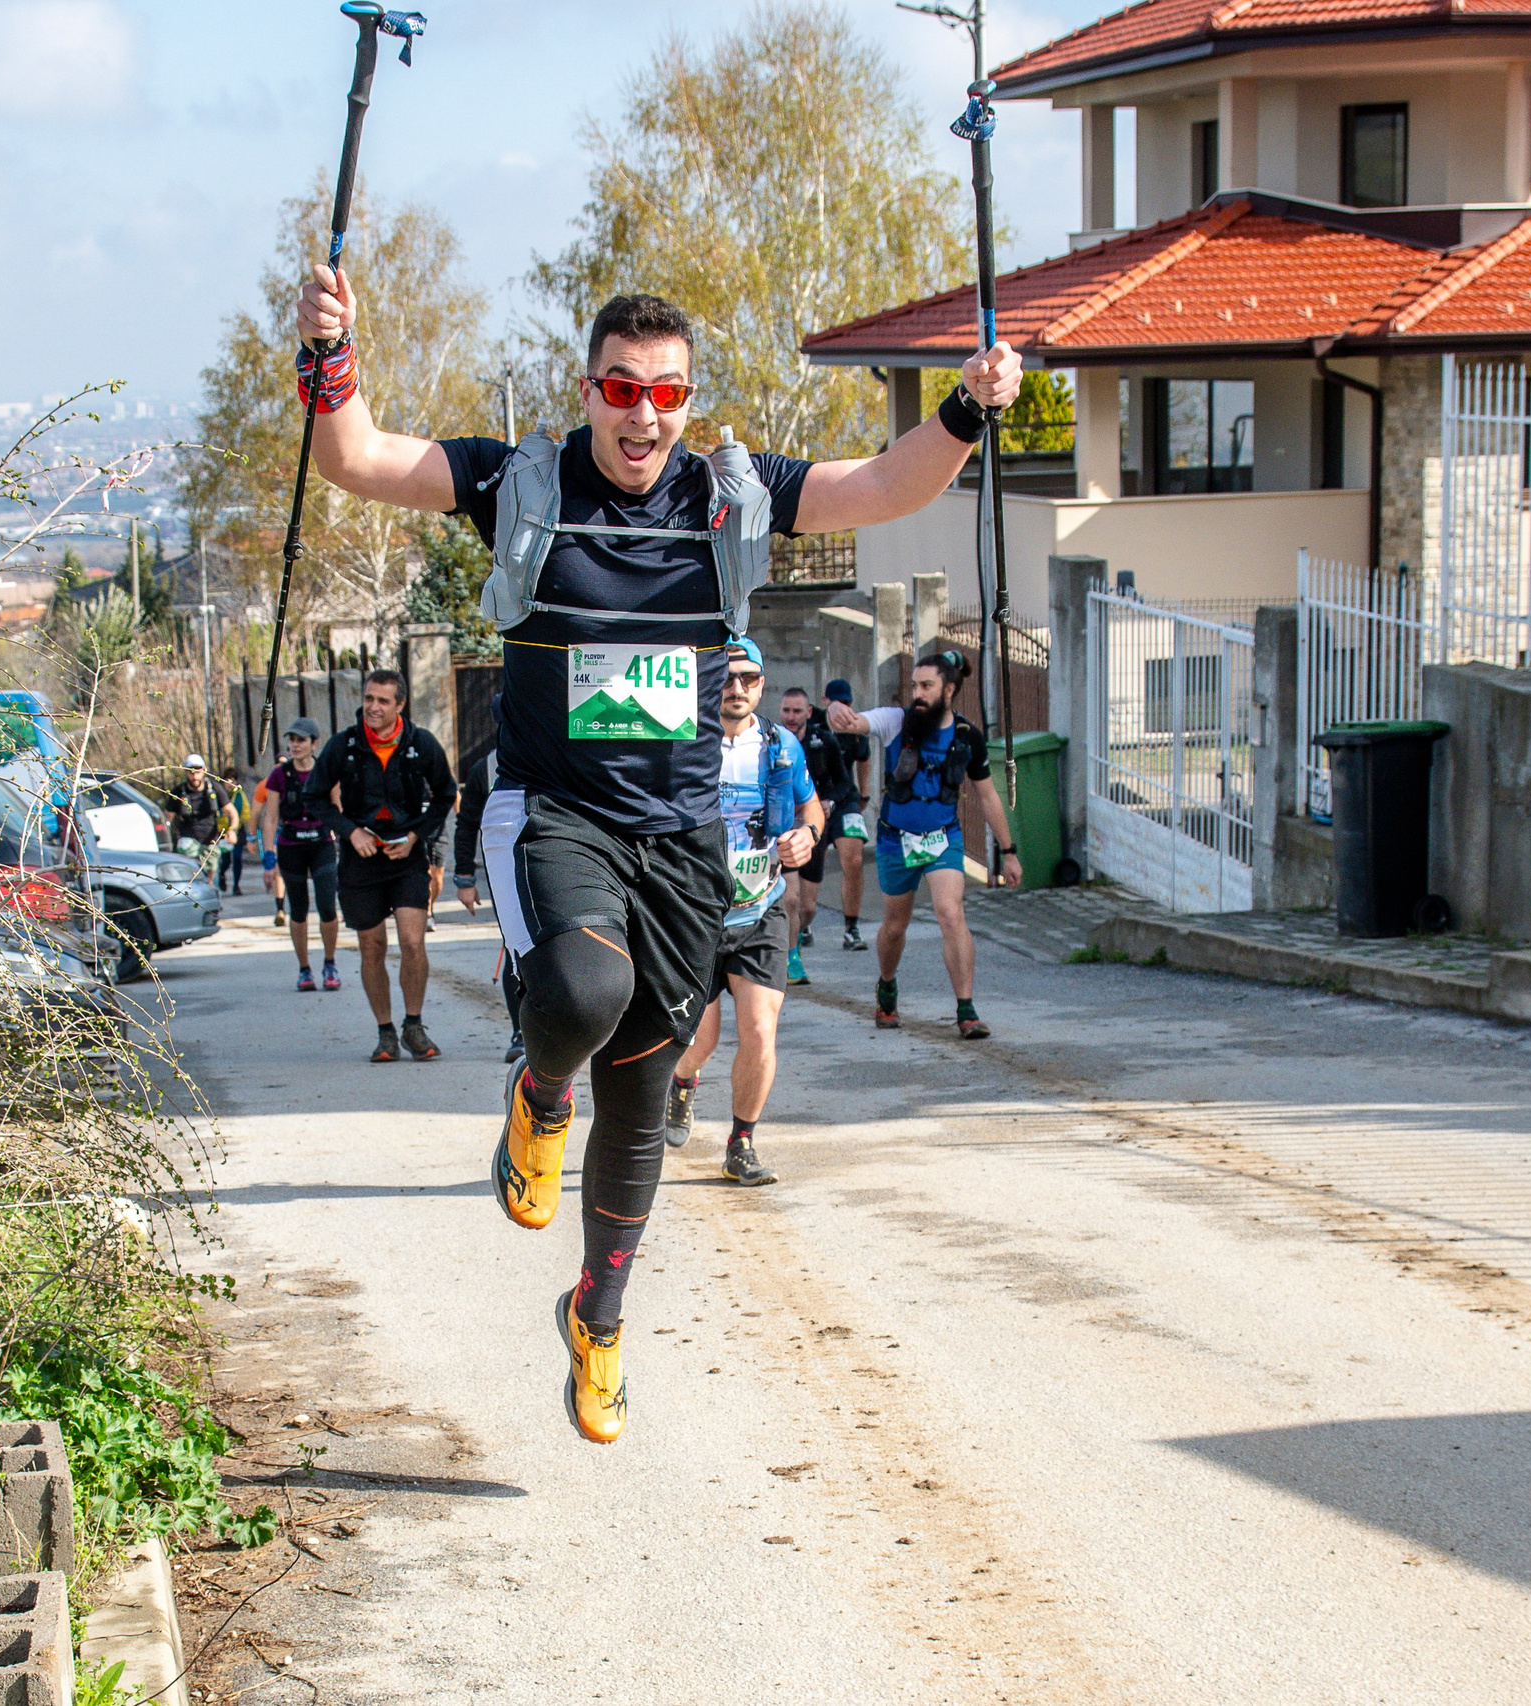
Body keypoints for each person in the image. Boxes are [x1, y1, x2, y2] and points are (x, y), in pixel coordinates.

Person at [296, 269, 1022, 1443]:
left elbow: (885, 485)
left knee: (641, 1093)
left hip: (681, 834)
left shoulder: (728, 494)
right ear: (589, 388)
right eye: (621, 388)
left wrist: (966, 408)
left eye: (667, 391)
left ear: (688, 397)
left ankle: (600, 1317)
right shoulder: (519, 481)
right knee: (586, 987)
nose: (643, 415)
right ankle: (536, 1091)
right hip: (553, 811)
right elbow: (358, 457)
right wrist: (329, 356)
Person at [662, 638, 818, 1183]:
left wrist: (809, 834)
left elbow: (809, 805)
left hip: (761, 910)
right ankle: (682, 1083)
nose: (736, 688)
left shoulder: (782, 746)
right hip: (695, 917)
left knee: (759, 1031)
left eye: (748, 679)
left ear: (762, 685)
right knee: (699, 1041)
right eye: (727, 678)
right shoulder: (683, 743)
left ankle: (741, 1143)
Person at [826, 649, 1022, 1038]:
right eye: (914, 684)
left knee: (950, 913)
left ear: (949, 690)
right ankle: (886, 984)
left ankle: (966, 1010)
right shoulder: (896, 722)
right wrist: (836, 711)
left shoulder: (967, 738)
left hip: (942, 839)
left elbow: (988, 797)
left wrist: (1009, 852)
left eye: (926, 686)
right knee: (895, 927)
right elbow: (858, 722)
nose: (917, 693)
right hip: (895, 840)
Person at [309, 671, 456, 1063]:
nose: (373, 707)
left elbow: (445, 795)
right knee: (372, 946)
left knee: (412, 941)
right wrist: (350, 831)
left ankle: (414, 1024)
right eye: (369, 699)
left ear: (400, 705)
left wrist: (415, 837)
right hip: (360, 860)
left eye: (383, 701)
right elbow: (315, 798)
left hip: (406, 856)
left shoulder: (421, 743)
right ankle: (386, 1032)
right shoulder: (345, 745)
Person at [779, 682, 870, 974]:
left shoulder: (825, 740)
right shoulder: (771, 740)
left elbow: (845, 781)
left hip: (814, 827)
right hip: (784, 828)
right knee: (790, 900)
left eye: (797, 711)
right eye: (786, 711)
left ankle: (801, 931)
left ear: (809, 712)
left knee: (807, 908)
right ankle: (792, 959)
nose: (791, 717)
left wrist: (828, 801)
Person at [452, 739, 527, 1064]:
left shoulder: (552, 748)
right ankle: (521, 1031)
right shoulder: (485, 769)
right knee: (515, 946)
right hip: (505, 870)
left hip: (553, 861)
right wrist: (465, 879)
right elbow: (467, 824)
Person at [256, 718, 340, 991]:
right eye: (292, 740)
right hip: (291, 846)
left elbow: (338, 809)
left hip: (321, 844)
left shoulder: (326, 771)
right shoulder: (280, 775)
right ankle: (304, 969)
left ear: (314, 744)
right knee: (299, 909)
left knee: (327, 905)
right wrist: (269, 860)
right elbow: (270, 818)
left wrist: (345, 843)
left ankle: (330, 963)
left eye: (301, 740)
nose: (295, 745)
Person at [167, 756, 223, 879]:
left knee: (211, 870)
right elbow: (168, 817)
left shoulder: (214, 789)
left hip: (210, 838)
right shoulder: (178, 792)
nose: (195, 776)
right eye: (191, 772)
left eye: (198, 771)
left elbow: (231, 811)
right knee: (190, 870)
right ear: (186, 772)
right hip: (188, 837)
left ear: (204, 770)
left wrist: (232, 830)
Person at [220, 766, 251, 896]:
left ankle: (236, 885)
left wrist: (237, 822)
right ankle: (221, 874)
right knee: (226, 860)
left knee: (238, 858)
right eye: (228, 780)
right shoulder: (219, 794)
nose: (230, 784)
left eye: (233, 780)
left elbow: (246, 812)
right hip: (223, 832)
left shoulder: (240, 795)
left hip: (237, 831)